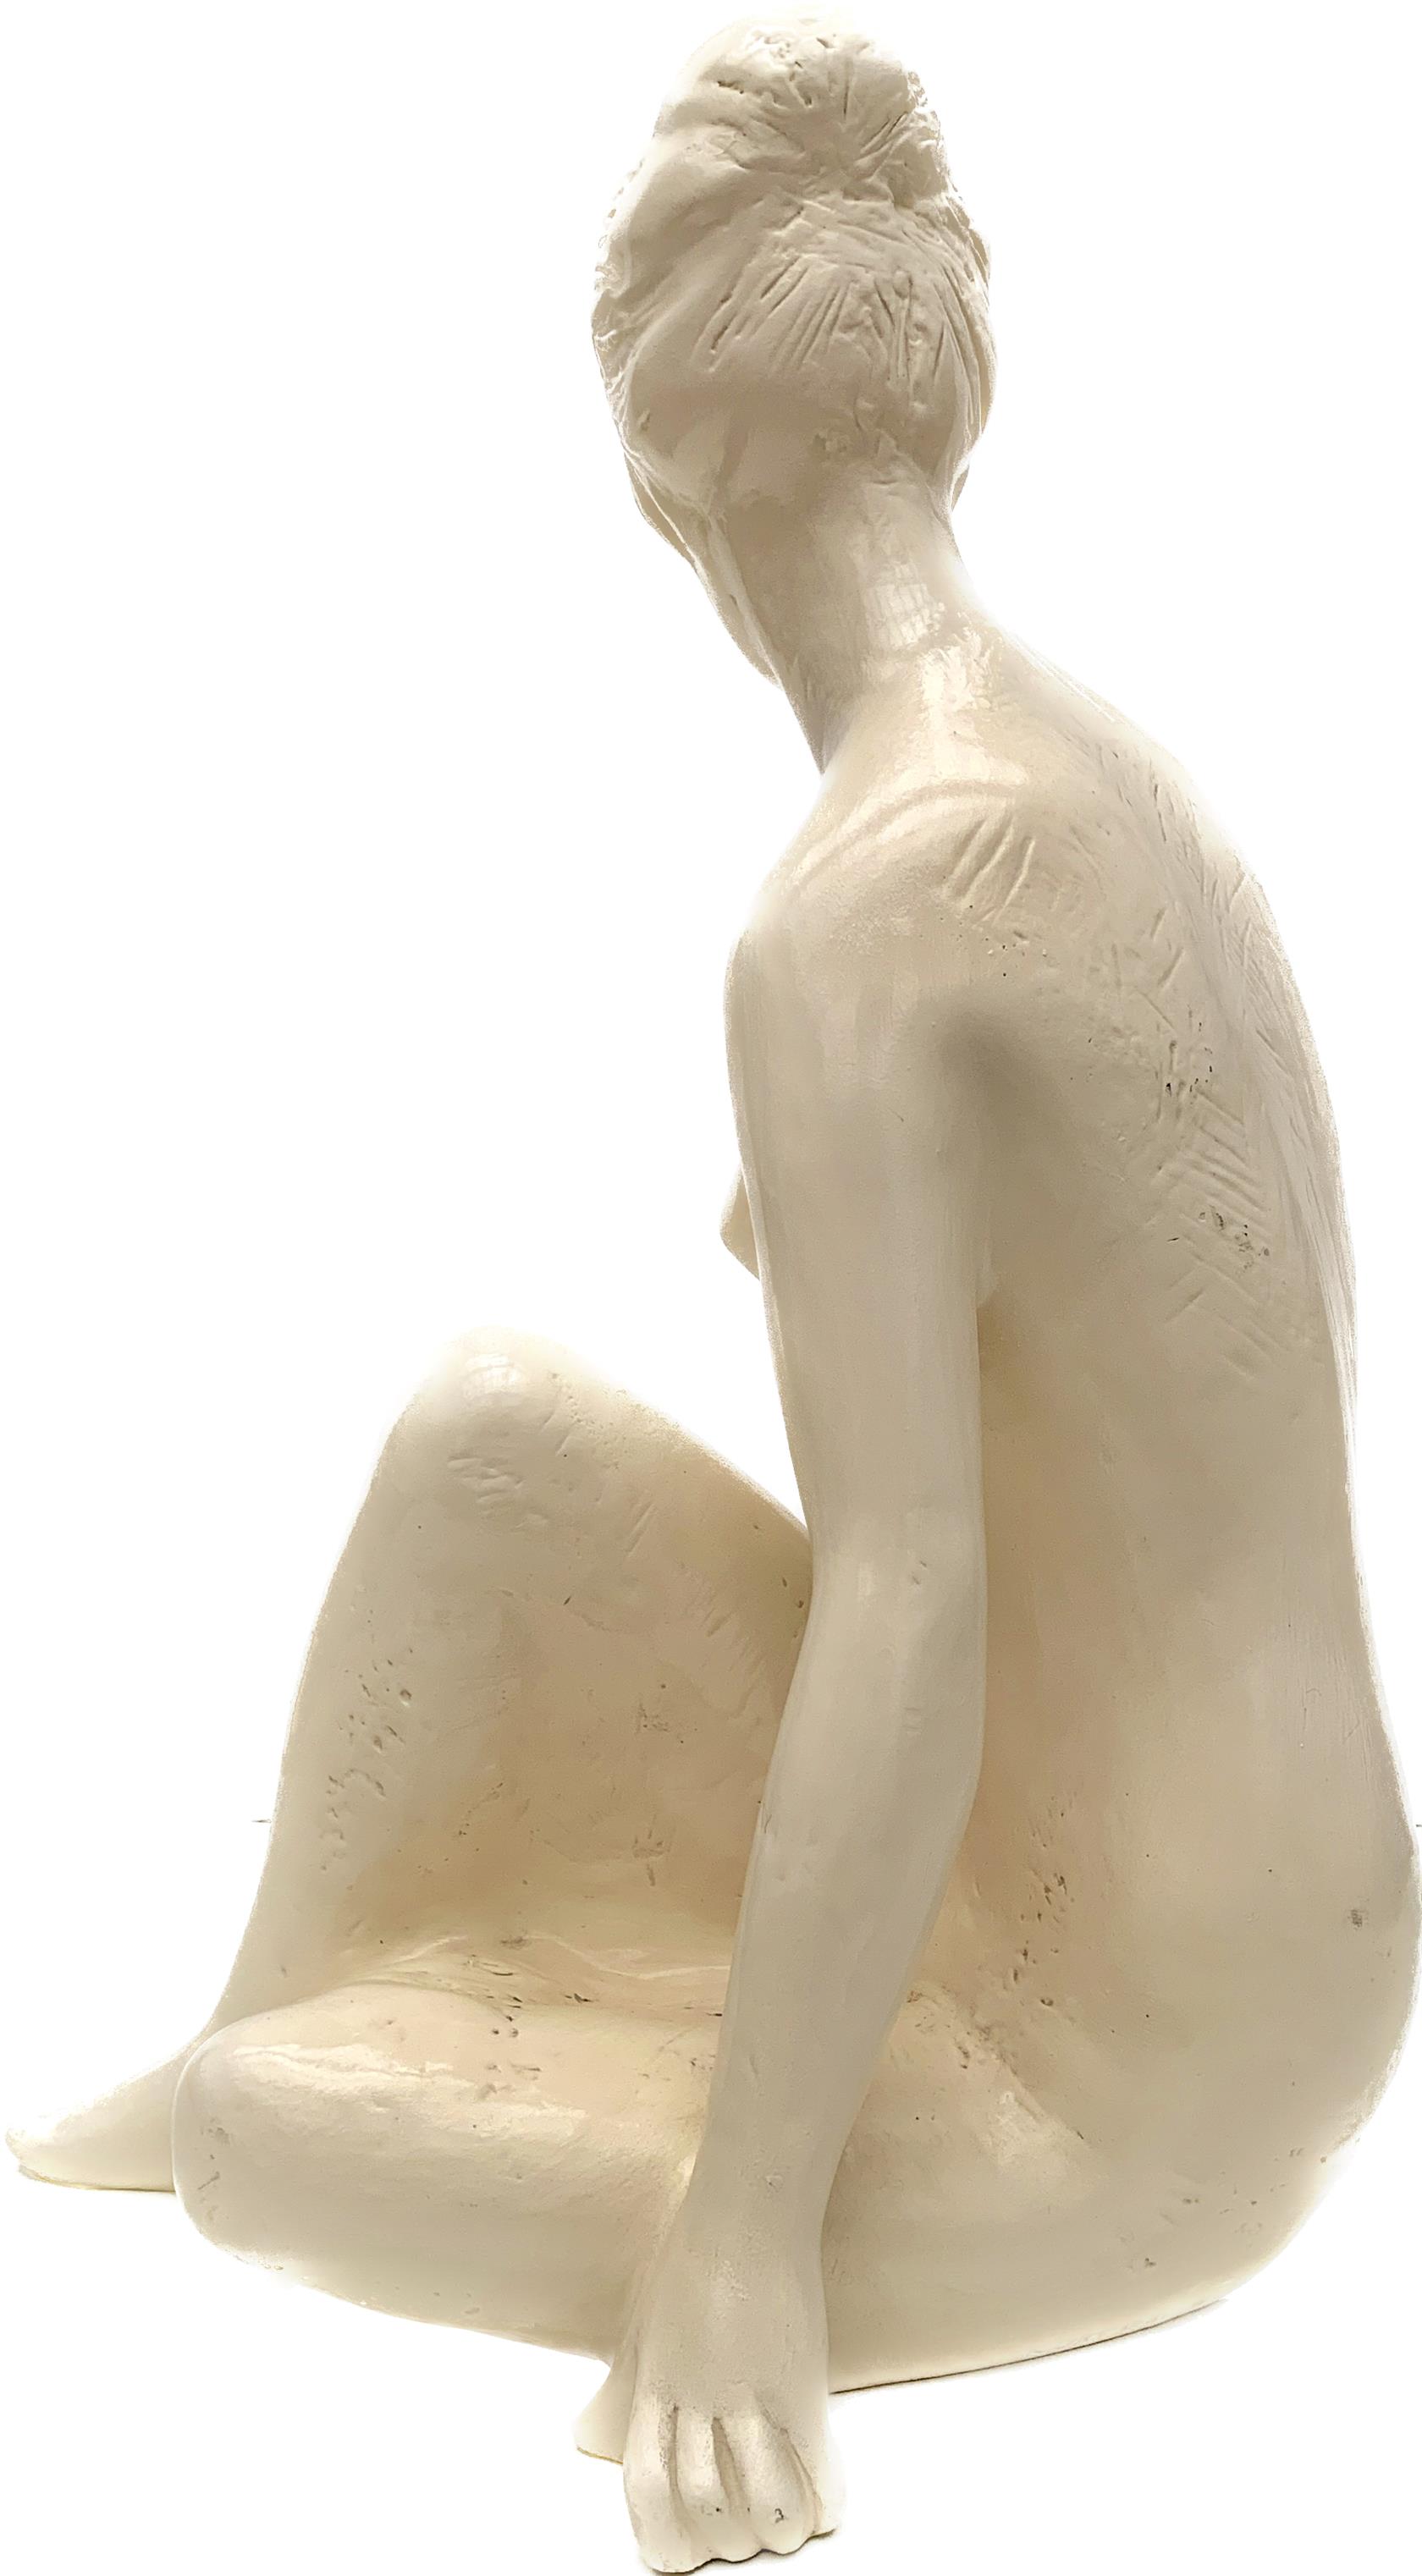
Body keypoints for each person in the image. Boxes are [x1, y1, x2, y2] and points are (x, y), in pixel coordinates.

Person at [12, 19, 1417, 2572]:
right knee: (488, 1429)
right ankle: (252, 1986)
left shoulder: (852, 917)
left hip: (1154, 2073)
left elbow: (912, 1592)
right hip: (1244, 1897)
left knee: (261, 2150)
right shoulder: (1110, 772)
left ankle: (284, 2071)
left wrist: (747, 2229)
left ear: (678, 464)